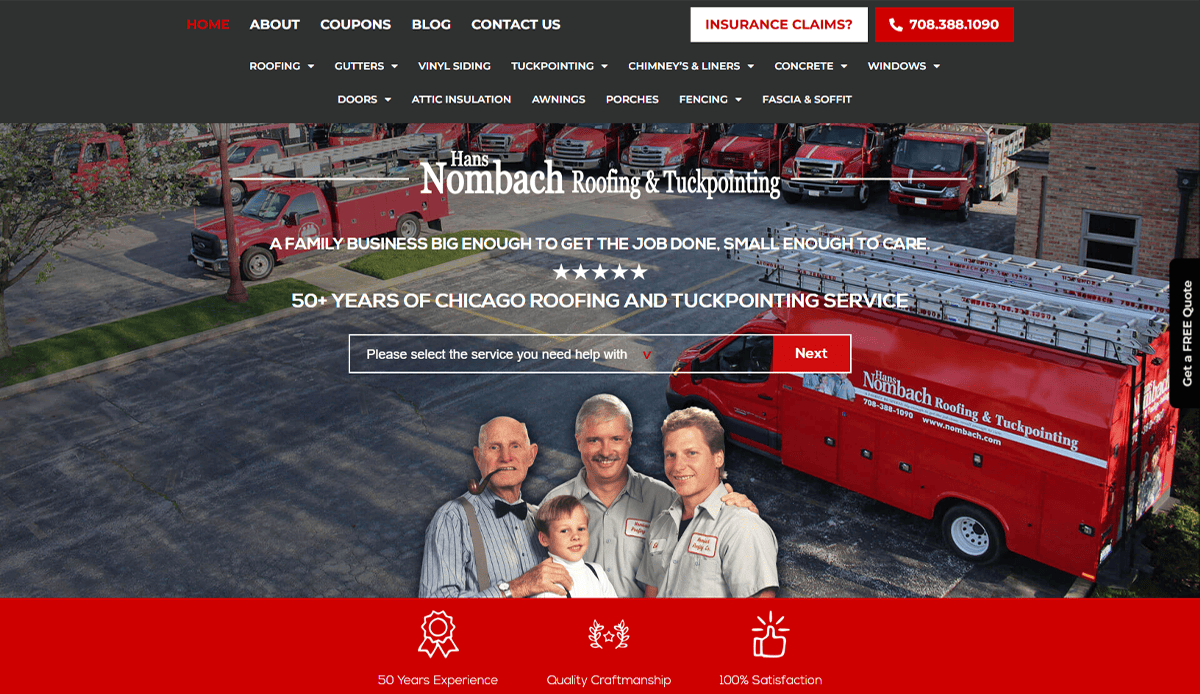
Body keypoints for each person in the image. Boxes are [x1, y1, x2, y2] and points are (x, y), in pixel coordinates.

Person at [543, 394, 757, 598]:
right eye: (594, 440)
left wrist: (739, 512)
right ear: (578, 441)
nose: (606, 451)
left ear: (629, 440)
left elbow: (713, 525)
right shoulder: (553, 504)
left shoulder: (666, 500)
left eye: (616, 438)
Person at [418, 416, 574, 598]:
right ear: (478, 457)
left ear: (531, 455)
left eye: (515, 446)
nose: (506, 457)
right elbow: (436, 613)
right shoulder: (452, 519)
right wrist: (516, 588)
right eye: (494, 447)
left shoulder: (542, 519)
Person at [637, 407, 778, 598]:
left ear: (718, 457)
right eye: (671, 455)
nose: (678, 466)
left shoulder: (742, 527)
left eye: (691, 453)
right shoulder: (660, 525)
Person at [531, 495, 617, 598]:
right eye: (564, 530)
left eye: (581, 529)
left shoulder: (597, 572)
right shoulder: (548, 585)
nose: (576, 536)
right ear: (544, 539)